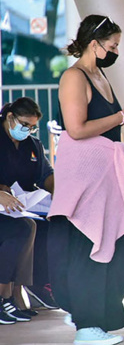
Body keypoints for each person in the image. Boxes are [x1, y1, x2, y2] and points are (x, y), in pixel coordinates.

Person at [47, 14, 124, 345]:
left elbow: (106, 121)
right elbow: (77, 128)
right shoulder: (73, 76)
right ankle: (86, 324)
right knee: (89, 246)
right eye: (112, 45)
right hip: (85, 178)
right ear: (94, 44)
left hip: (107, 174)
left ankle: (90, 314)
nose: (115, 51)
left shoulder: (100, 74)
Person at [0, 97, 53, 324]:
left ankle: (30, 288)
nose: (28, 130)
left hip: (20, 207)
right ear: (10, 117)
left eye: (32, 127)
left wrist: (61, 197)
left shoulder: (32, 145)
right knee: (21, 229)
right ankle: (5, 296)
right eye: (24, 125)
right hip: (5, 210)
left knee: (47, 225)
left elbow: (46, 176)